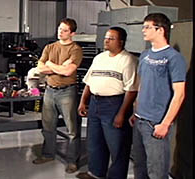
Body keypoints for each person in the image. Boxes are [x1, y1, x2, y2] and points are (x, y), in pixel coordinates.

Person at [76, 27, 139, 179]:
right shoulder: (99, 58)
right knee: (95, 142)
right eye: (106, 37)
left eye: (111, 38)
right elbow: (89, 82)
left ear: (121, 42)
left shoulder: (128, 60)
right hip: (96, 103)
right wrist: (83, 102)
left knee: (117, 146)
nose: (106, 40)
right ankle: (96, 173)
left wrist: (121, 114)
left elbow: (131, 90)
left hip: (115, 104)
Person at [129, 13, 186, 179]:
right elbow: (142, 86)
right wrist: (135, 111)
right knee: (140, 167)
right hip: (140, 120)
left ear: (160, 30)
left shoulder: (174, 58)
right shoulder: (145, 55)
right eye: (143, 27)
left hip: (156, 124)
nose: (143, 30)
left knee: (157, 171)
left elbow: (179, 94)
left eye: (147, 27)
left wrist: (165, 124)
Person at [32, 18, 83, 174]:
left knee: (72, 129)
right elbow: (40, 68)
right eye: (59, 29)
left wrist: (51, 65)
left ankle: (72, 161)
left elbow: (68, 72)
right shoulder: (50, 47)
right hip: (49, 90)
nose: (60, 32)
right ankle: (48, 154)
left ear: (72, 33)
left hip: (67, 92)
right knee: (48, 126)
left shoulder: (75, 49)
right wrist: (59, 67)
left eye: (65, 30)